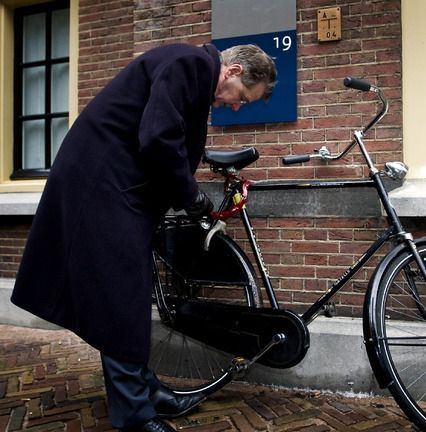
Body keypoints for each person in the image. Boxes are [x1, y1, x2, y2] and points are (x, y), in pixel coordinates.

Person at [11, 43, 277, 432]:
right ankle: (134, 414)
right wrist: (191, 196)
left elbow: (162, 132)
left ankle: (143, 390)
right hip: (100, 184)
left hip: (114, 185)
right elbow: (158, 137)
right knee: (122, 293)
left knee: (124, 292)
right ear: (233, 71)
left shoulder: (193, 71)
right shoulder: (190, 65)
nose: (237, 107)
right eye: (242, 99)